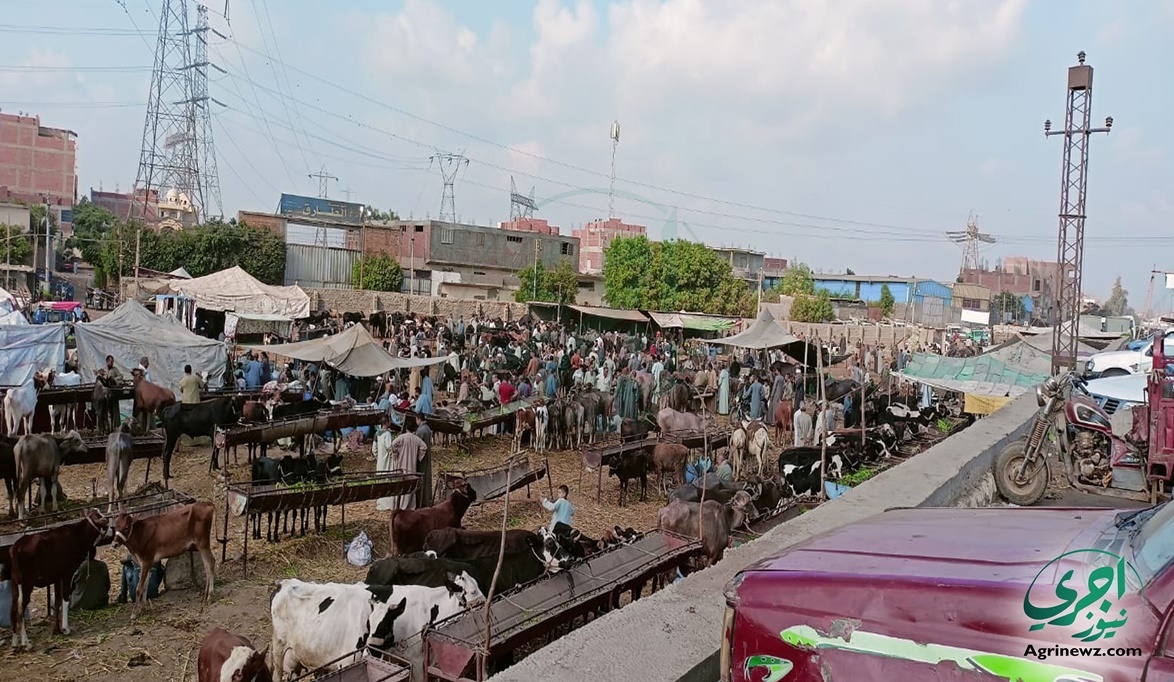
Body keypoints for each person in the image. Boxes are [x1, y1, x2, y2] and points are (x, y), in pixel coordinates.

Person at [379, 417, 428, 511]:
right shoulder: (416, 439)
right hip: (412, 466)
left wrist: (396, 455)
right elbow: (424, 447)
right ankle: (410, 506)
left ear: (406, 428)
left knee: (402, 485)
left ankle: (400, 505)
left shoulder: (401, 437)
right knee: (411, 485)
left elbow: (393, 444)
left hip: (401, 465)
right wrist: (418, 457)